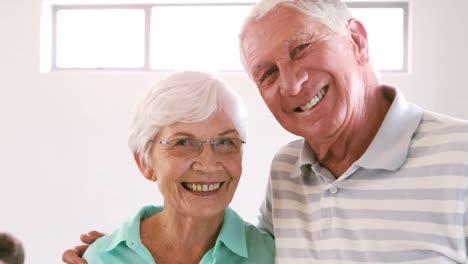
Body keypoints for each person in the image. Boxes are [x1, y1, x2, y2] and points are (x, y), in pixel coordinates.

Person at [64, 0, 468, 263]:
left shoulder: (460, 157)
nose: (291, 84)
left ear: (358, 41)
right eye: (267, 73)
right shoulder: (288, 170)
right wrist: (123, 248)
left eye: (301, 48)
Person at [63, 71, 275, 264]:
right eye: (183, 143)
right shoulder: (100, 259)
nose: (208, 165)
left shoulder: (274, 256)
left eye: (225, 142)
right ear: (145, 162)